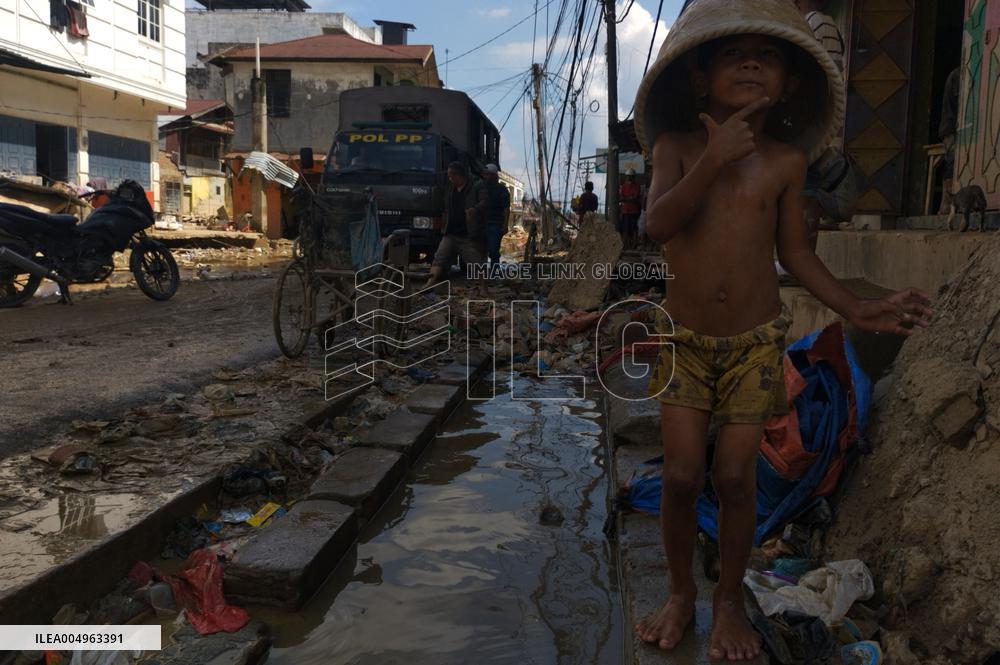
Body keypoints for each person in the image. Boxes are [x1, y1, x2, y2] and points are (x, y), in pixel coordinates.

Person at [632, 3, 932, 660]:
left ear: (788, 82)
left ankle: (730, 599)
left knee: (737, 477)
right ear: (699, 77)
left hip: (755, 344)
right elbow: (657, 225)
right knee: (683, 475)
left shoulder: (786, 162)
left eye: (766, 56)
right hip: (683, 340)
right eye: (733, 53)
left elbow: (796, 255)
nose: (750, 63)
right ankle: (681, 591)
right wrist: (712, 159)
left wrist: (856, 308)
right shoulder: (677, 148)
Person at [794, 0, 853, 250]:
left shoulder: (819, 23)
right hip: (800, 124)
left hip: (808, 125)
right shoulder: (801, 25)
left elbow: (830, 82)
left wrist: (816, 130)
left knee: (805, 192)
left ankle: (799, 258)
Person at [426, 162, 487, 288]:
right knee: (438, 259)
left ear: (458, 176)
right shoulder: (450, 188)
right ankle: (429, 284)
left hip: (466, 234)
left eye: (451, 176)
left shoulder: (475, 186)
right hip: (450, 232)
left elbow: (485, 202)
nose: (449, 179)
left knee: (476, 262)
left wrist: (474, 209)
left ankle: (483, 287)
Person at [938, 66, 961, 214]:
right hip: (951, 128)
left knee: (953, 164)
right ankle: (946, 205)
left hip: (954, 126)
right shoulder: (958, 75)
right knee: (952, 164)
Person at [480, 163, 511, 264]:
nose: (485, 176)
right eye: (485, 174)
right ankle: (483, 275)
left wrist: (505, 225)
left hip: (495, 223)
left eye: (487, 174)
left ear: (494, 175)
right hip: (482, 223)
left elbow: (506, 209)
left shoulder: (502, 190)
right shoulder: (480, 187)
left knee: (493, 251)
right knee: (480, 250)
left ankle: (494, 273)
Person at [619, 169, 642, 250]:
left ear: (633, 177)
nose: (629, 178)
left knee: (633, 229)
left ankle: (633, 245)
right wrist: (629, 199)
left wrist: (626, 199)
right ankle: (627, 245)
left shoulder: (636, 186)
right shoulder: (624, 186)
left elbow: (634, 197)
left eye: (631, 177)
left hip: (633, 211)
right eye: (628, 176)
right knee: (625, 229)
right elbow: (621, 197)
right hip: (625, 211)